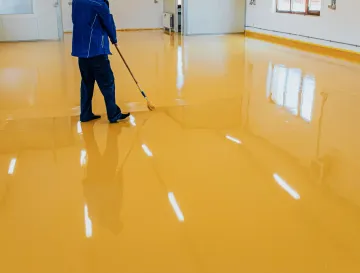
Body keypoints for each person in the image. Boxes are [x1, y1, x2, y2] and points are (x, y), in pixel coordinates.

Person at [72, 0, 130, 123]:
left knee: (87, 83)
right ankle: (113, 114)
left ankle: (85, 114)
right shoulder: (99, 4)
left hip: (81, 51)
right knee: (107, 83)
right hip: (96, 50)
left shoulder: (76, 1)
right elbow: (108, 23)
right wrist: (114, 39)